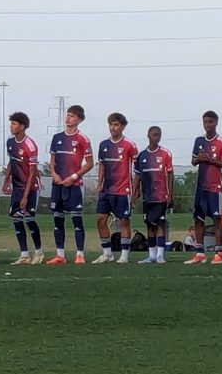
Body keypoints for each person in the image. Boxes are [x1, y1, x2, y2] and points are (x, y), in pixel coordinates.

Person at [47, 105, 94, 265]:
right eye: (67, 115)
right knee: (58, 220)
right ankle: (60, 255)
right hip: (57, 184)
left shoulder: (83, 139)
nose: (68, 118)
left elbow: (89, 163)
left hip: (74, 185)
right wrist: (54, 174)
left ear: (79, 120)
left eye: (72, 116)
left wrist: (73, 177)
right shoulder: (57, 137)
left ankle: (80, 254)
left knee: (76, 220)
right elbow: (51, 162)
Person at [185, 110, 222, 264]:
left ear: (216, 123)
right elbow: (193, 161)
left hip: (215, 187)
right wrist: (199, 159)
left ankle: (219, 254)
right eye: (205, 122)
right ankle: (200, 254)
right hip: (201, 187)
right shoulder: (199, 140)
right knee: (198, 219)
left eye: (210, 122)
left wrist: (212, 160)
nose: (207, 125)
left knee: (216, 219)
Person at [92, 113, 138, 264]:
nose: (113, 127)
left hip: (123, 190)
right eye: (111, 124)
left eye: (116, 124)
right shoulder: (104, 145)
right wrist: (99, 183)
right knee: (100, 220)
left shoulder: (129, 145)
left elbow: (136, 169)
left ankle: (124, 255)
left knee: (124, 221)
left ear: (123, 127)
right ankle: (107, 253)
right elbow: (102, 165)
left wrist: (135, 191)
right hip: (106, 189)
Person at [1, 112, 44, 265]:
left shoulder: (30, 146)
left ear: (23, 126)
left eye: (14, 124)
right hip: (17, 187)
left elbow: (33, 174)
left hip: (31, 187)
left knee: (29, 218)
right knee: (15, 218)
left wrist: (26, 196)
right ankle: (24, 255)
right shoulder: (10, 142)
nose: (11, 127)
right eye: (11, 123)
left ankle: (39, 252)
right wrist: (6, 181)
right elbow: (11, 163)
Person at [132, 126, 174, 264]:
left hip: (161, 196)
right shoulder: (141, 156)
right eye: (155, 135)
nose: (157, 137)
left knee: (160, 223)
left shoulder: (165, 154)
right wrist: (134, 195)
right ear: (148, 135)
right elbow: (137, 176)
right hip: (147, 197)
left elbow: (170, 175)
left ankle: (160, 255)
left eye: (159, 135)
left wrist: (170, 195)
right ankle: (151, 255)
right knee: (149, 224)